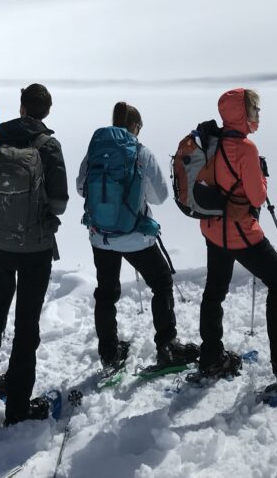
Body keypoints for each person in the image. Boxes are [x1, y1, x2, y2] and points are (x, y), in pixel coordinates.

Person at [196, 88, 277, 385]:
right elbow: (257, 195)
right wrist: (262, 175)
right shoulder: (245, 149)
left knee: (214, 291)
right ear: (242, 113)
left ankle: (211, 357)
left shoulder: (211, 142)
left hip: (214, 230)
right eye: (254, 109)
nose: (258, 115)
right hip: (240, 232)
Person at [0, 83, 69, 425]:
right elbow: (60, 201)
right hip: (36, 248)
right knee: (26, 323)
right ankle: (17, 407)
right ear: (46, 110)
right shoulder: (48, 146)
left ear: (22, 107)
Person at [79, 102, 196, 373]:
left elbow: (81, 186)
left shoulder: (95, 149)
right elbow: (161, 196)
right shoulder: (141, 152)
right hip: (135, 235)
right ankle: (167, 345)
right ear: (135, 126)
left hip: (101, 236)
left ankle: (109, 354)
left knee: (106, 294)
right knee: (161, 281)